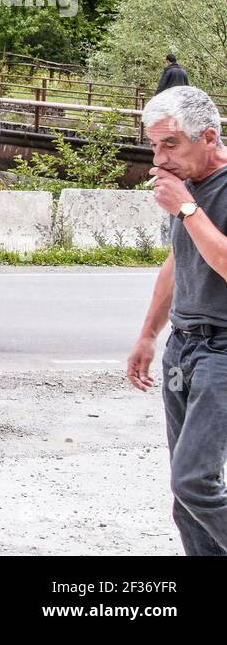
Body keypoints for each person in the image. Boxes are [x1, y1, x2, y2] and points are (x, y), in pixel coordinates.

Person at [127, 86, 227, 555]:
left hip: (221, 351)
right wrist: (149, 335)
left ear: (208, 137)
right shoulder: (186, 189)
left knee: (194, 482)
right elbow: (176, 260)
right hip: (183, 348)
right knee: (183, 500)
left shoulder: (203, 194)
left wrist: (186, 208)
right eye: (153, 145)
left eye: (171, 145)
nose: (158, 157)